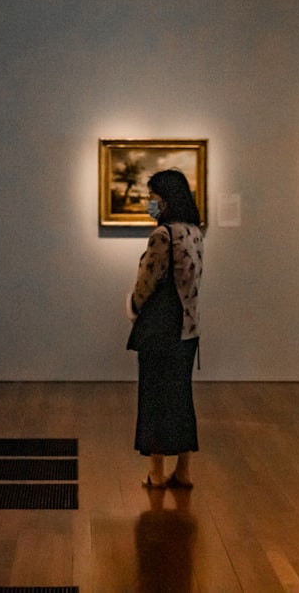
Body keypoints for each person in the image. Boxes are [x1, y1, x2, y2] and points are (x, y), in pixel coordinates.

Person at [127, 169, 204, 489]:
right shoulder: (194, 232)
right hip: (188, 326)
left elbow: (146, 283)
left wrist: (132, 305)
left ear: (167, 199)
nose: (149, 204)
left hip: (161, 327)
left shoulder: (162, 235)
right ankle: (183, 469)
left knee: (154, 397)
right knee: (181, 397)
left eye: (154, 198)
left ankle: (156, 472)